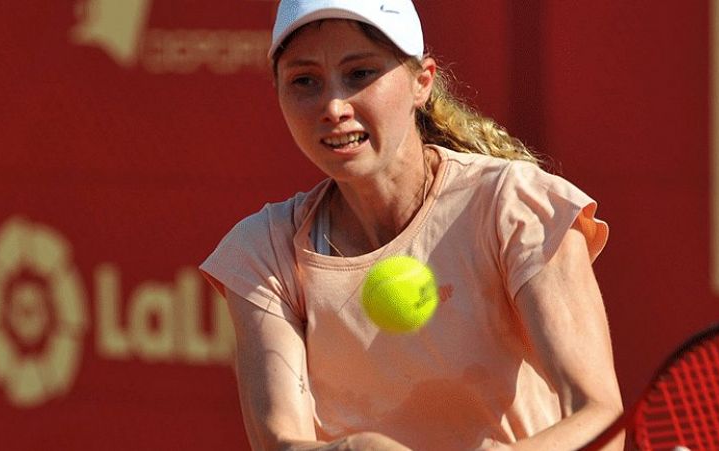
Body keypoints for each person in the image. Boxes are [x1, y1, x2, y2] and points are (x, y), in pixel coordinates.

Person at [200, 1, 624, 449]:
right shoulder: (261, 252)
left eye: (360, 73)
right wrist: (353, 449)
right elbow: (280, 442)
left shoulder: (517, 204)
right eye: (304, 81)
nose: (333, 105)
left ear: (421, 81)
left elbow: (598, 418)